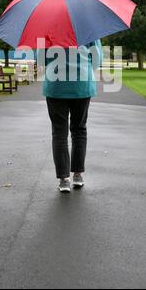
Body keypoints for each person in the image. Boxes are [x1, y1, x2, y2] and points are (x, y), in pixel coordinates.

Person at [39, 40, 103, 193]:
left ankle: (63, 179)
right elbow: (97, 60)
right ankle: (78, 175)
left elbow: (41, 59)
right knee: (79, 130)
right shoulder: (89, 29)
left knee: (59, 133)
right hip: (81, 85)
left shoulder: (47, 29)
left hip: (56, 87)